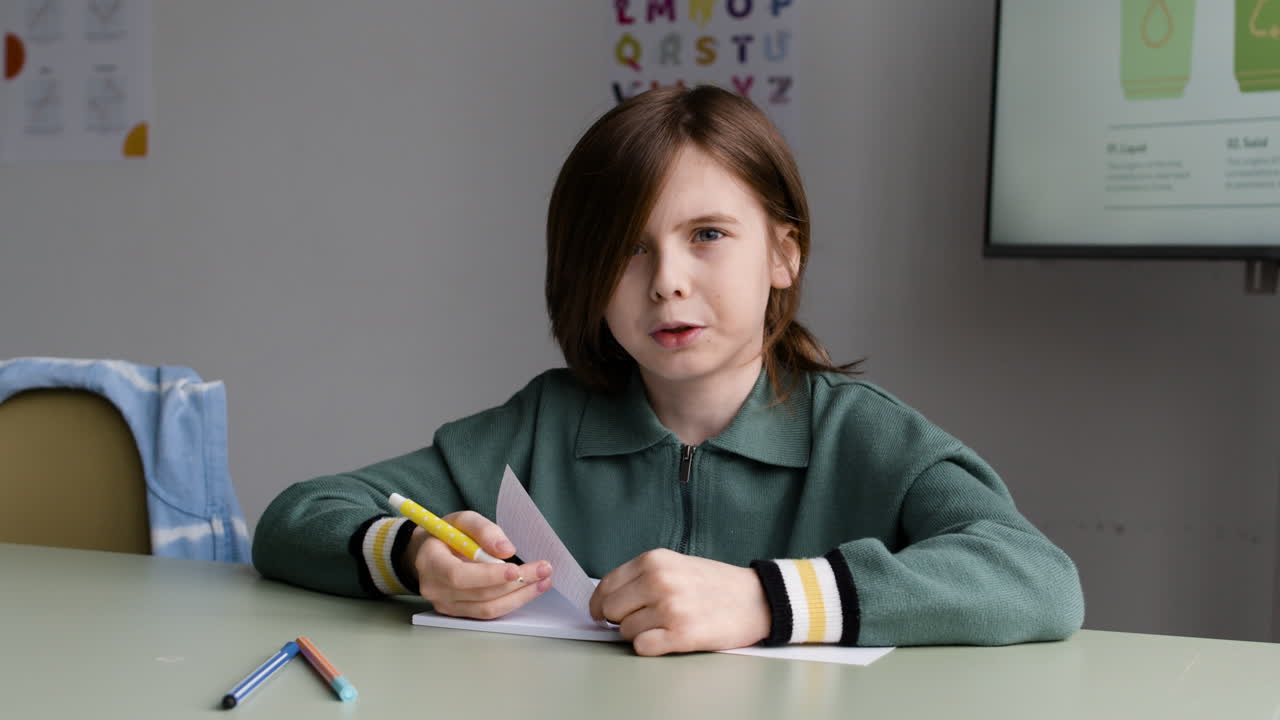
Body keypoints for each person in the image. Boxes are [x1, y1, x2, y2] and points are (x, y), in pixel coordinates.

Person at [252, 85, 1084, 656]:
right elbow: (296, 517)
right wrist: (414, 557)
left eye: (709, 235)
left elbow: (1038, 580)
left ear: (783, 255)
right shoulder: (543, 427)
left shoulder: (862, 435)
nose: (667, 281)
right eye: (627, 248)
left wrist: (767, 601)